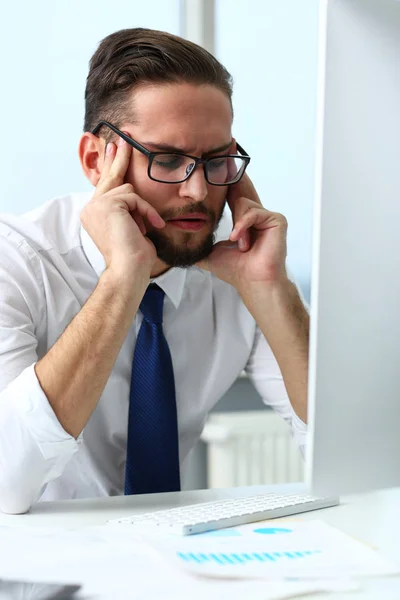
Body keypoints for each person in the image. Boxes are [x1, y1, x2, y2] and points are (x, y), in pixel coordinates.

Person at [0, 28, 309, 514]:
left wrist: (271, 290)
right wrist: (124, 279)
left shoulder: (238, 267)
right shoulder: (15, 262)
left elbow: (351, 455)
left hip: (172, 572)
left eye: (216, 161)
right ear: (95, 160)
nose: (197, 192)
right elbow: (5, 482)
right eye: (167, 160)